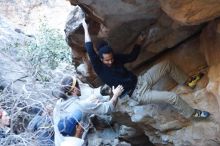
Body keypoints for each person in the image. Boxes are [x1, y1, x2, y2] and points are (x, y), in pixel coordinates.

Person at [82, 19, 210, 119]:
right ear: (100, 59)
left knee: (167, 64)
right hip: (138, 94)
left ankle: (188, 82)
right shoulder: (100, 68)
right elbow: (89, 47)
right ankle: (193, 114)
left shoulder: (116, 58)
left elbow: (132, 57)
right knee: (172, 97)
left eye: (111, 58)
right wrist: (85, 28)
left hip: (142, 80)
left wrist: (138, 42)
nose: (110, 61)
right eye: (107, 60)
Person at [53, 76, 124, 146]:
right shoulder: (81, 105)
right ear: (74, 89)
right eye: (78, 86)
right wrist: (116, 95)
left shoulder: (58, 104)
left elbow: (76, 108)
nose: (80, 88)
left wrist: (89, 103)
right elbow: (108, 108)